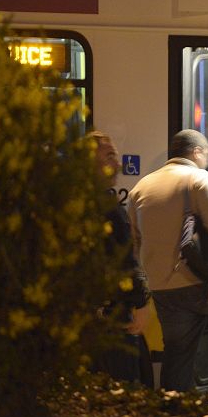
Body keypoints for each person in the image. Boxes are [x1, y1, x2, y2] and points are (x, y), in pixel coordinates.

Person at [127, 129, 208, 391]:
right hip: (200, 282)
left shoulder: (140, 188)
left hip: (162, 287)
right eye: (207, 155)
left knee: (177, 354)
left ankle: (175, 414)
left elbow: (135, 243)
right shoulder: (198, 178)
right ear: (197, 152)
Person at [88, 131, 152, 385]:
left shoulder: (76, 203)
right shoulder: (107, 207)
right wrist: (141, 303)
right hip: (113, 316)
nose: (117, 163)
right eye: (110, 156)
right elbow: (124, 259)